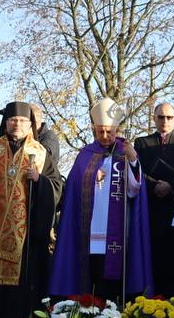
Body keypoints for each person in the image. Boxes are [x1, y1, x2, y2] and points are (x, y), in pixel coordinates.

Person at [49, 98, 152, 301]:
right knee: (91, 273)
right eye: (100, 131)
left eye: (109, 132)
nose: (105, 136)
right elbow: (74, 192)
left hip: (117, 232)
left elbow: (134, 190)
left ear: (117, 129)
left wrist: (132, 161)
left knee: (112, 281)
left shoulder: (126, 152)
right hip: (89, 230)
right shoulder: (85, 154)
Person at [0, 102, 63, 318]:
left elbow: (56, 184)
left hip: (25, 228)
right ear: (6, 123)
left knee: (25, 277)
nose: (17, 124)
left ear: (31, 125)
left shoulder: (39, 151)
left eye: (22, 121)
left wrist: (39, 180)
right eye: (12, 120)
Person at [134, 102, 174, 294]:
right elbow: (136, 171)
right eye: (161, 117)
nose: (165, 121)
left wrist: (171, 186)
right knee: (153, 254)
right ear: (154, 118)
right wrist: (154, 186)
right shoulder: (142, 143)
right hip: (151, 208)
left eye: (169, 117)